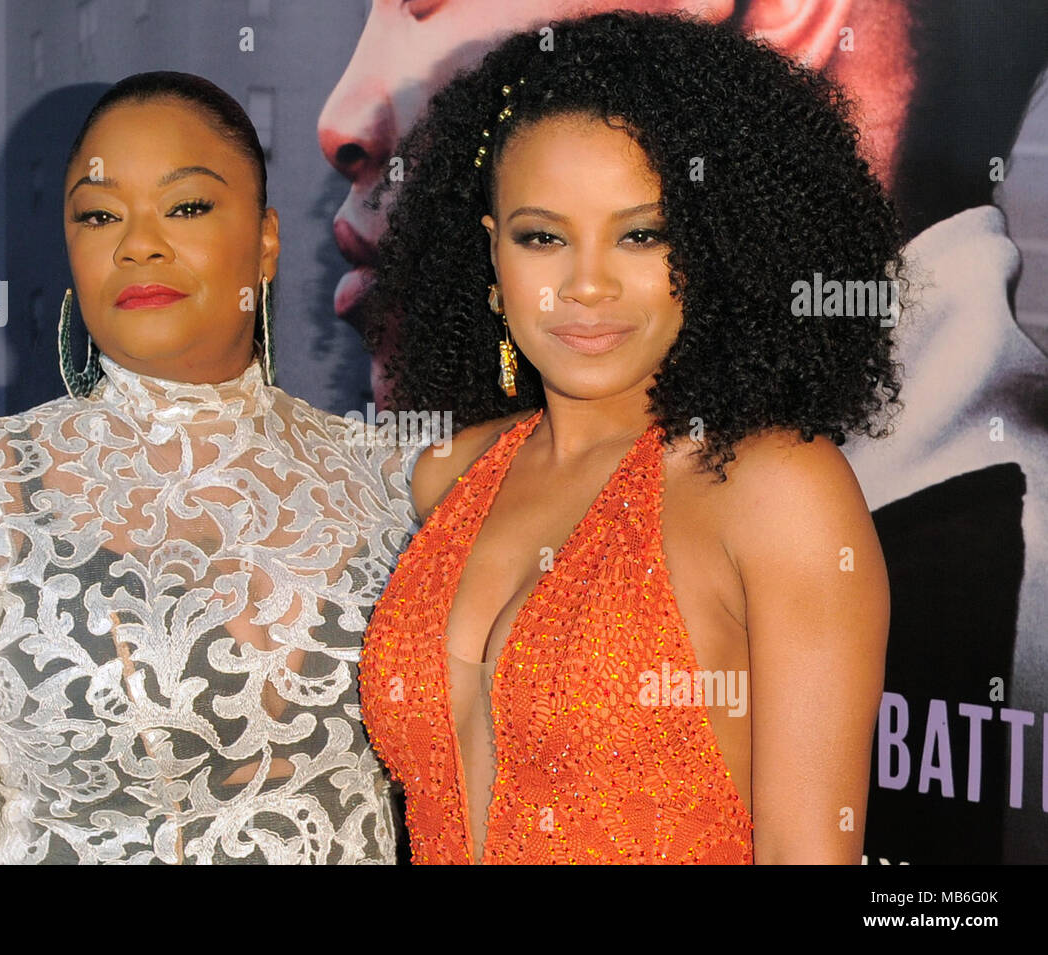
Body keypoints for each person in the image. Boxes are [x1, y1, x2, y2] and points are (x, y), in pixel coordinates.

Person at [322, 0, 1048, 866]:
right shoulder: (446, 474)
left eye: (640, 234)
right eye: (542, 235)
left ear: (711, 247)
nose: (586, 285)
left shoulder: (778, 488)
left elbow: (807, 851)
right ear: (491, 257)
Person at [0, 71, 422, 864]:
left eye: (186, 206)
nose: (138, 242)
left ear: (265, 240)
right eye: (98, 214)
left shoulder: (394, 481)